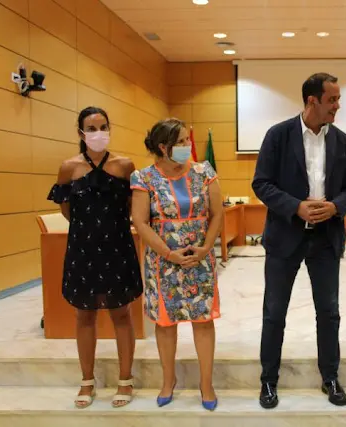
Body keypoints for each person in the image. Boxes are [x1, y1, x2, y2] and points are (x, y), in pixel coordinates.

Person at [252, 72, 346, 409]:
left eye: (338, 99)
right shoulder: (278, 135)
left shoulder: (342, 141)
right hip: (285, 237)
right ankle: (268, 381)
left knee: (329, 312)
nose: (337, 106)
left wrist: (335, 206)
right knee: (274, 313)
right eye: (332, 100)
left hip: (326, 239)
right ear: (312, 100)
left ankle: (330, 377)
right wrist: (295, 207)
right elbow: (261, 183)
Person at [48, 106, 143, 409]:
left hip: (118, 246)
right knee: (84, 315)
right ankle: (87, 380)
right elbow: (67, 209)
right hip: (82, 249)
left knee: (121, 313)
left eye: (103, 127)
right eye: (91, 128)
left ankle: (125, 379)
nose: (98, 133)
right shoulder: (68, 168)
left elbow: (131, 205)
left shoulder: (125, 166)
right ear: (80, 133)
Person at [130, 118, 223, 411]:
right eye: (181, 141)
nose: (187, 145)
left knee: (203, 320)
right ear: (163, 147)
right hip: (163, 262)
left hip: (199, 258)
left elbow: (217, 214)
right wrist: (169, 254)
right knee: (166, 323)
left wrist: (206, 248)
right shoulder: (143, 178)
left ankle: (206, 384)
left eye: (187, 140)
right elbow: (141, 223)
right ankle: (168, 380)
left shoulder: (204, 171)